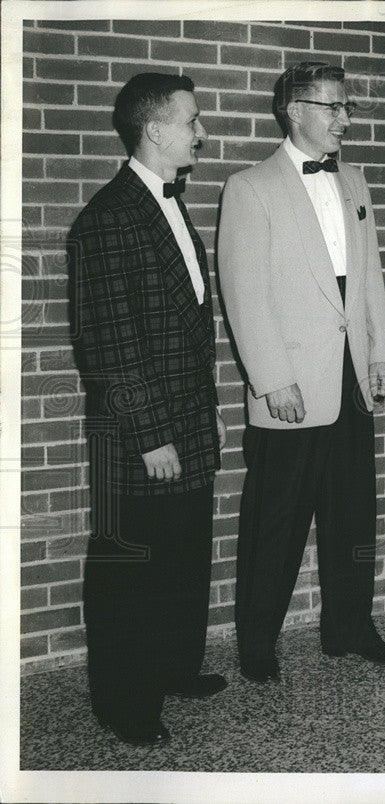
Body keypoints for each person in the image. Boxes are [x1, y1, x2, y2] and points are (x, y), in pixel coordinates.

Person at [218, 62, 385, 682]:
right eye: (332, 107)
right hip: (291, 385)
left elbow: (371, 280)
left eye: (346, 107)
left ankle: (350, 628)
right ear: (292, 110)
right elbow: (243, 293)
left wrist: (380, 353)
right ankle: (256, 645)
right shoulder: (250, 187)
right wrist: (271, 378)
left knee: (354, 514)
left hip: (351, 377)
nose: (344, 120)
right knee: (275, 523)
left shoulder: (354, 181)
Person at [70, 72, 225, 746]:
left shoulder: (167, 202)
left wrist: (205, 412)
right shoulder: (106, 218)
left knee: (182, 554)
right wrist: (151, 435)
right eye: (192, 120)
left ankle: (170, 668)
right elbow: (108, 345)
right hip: (142, 433)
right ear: (156, 129)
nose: (201, 132)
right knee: (129, 566)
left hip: (185, 419)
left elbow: (184, 326)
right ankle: (124, 702)